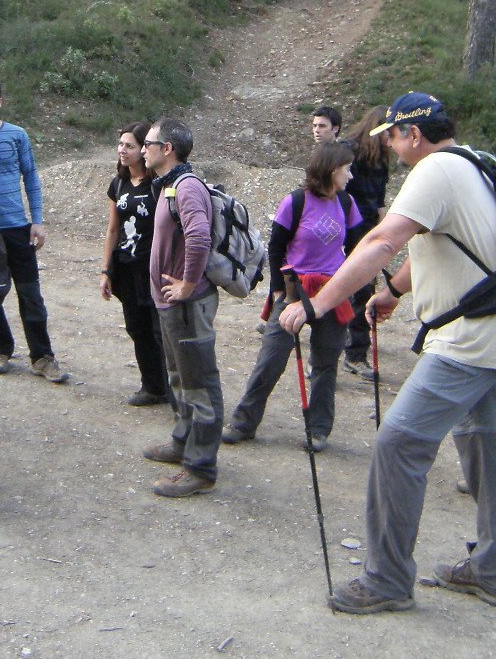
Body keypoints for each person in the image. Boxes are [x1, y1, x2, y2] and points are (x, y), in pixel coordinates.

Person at [280, 92, 496, 614]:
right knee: (493, 450)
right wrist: (394, 291)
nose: (389, 147)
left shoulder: (434, 171)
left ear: (413, 135)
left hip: (467, 340)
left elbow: (380, 242)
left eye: (392, 136)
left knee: (398, 444)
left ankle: (388, 579)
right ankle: (495, 572)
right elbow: (450, 244)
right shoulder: (476, 163)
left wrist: (318, 304)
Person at [223, 142, 361, 451]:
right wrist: (277, 291)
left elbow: (356, 250)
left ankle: (319, 429)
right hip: (294, 289)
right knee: (271, 358)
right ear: (332, 169)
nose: (350, 176)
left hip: (332, 292)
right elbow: (276, 246)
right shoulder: (295, 202)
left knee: (326, 363)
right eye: (347, 169)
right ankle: (244, 422)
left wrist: (352, 288)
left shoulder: (348, 204)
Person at [0, 76, 69, 383]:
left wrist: (37, 220)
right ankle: (0, 349)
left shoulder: (17, 135)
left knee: (30, 294)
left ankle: (42, 357)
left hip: (16, 227)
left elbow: (31, 178)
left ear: (0, 102)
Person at [140, 117, 222, 498]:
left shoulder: (186, 187)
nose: (143, 149)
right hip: (172, 305)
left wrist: (188, 284)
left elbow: (199, 236)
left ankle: (200, 468)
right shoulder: (169, 186)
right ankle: (183, 440)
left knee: (199, 382)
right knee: (179, 377)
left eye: (149, 143)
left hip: (187, 306)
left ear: (167, 149)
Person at [98, 121, 170, 407]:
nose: (122, 150)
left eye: (129, 145)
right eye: (120, 145)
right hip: (127, 268)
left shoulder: (158, 185)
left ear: (143, 149)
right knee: (137, 329)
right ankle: (152, 386)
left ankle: (173, 388)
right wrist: (106, 270)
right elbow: (113, 229)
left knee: (160, 331)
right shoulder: (119, 183)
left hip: (154, 270)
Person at [342, 107, 391, 381]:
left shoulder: (381, 159)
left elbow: (380, 200)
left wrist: (384, 233)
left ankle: (356, 352)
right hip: (346, 230)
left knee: (364, 289)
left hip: (368, 229)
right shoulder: (350, 151)